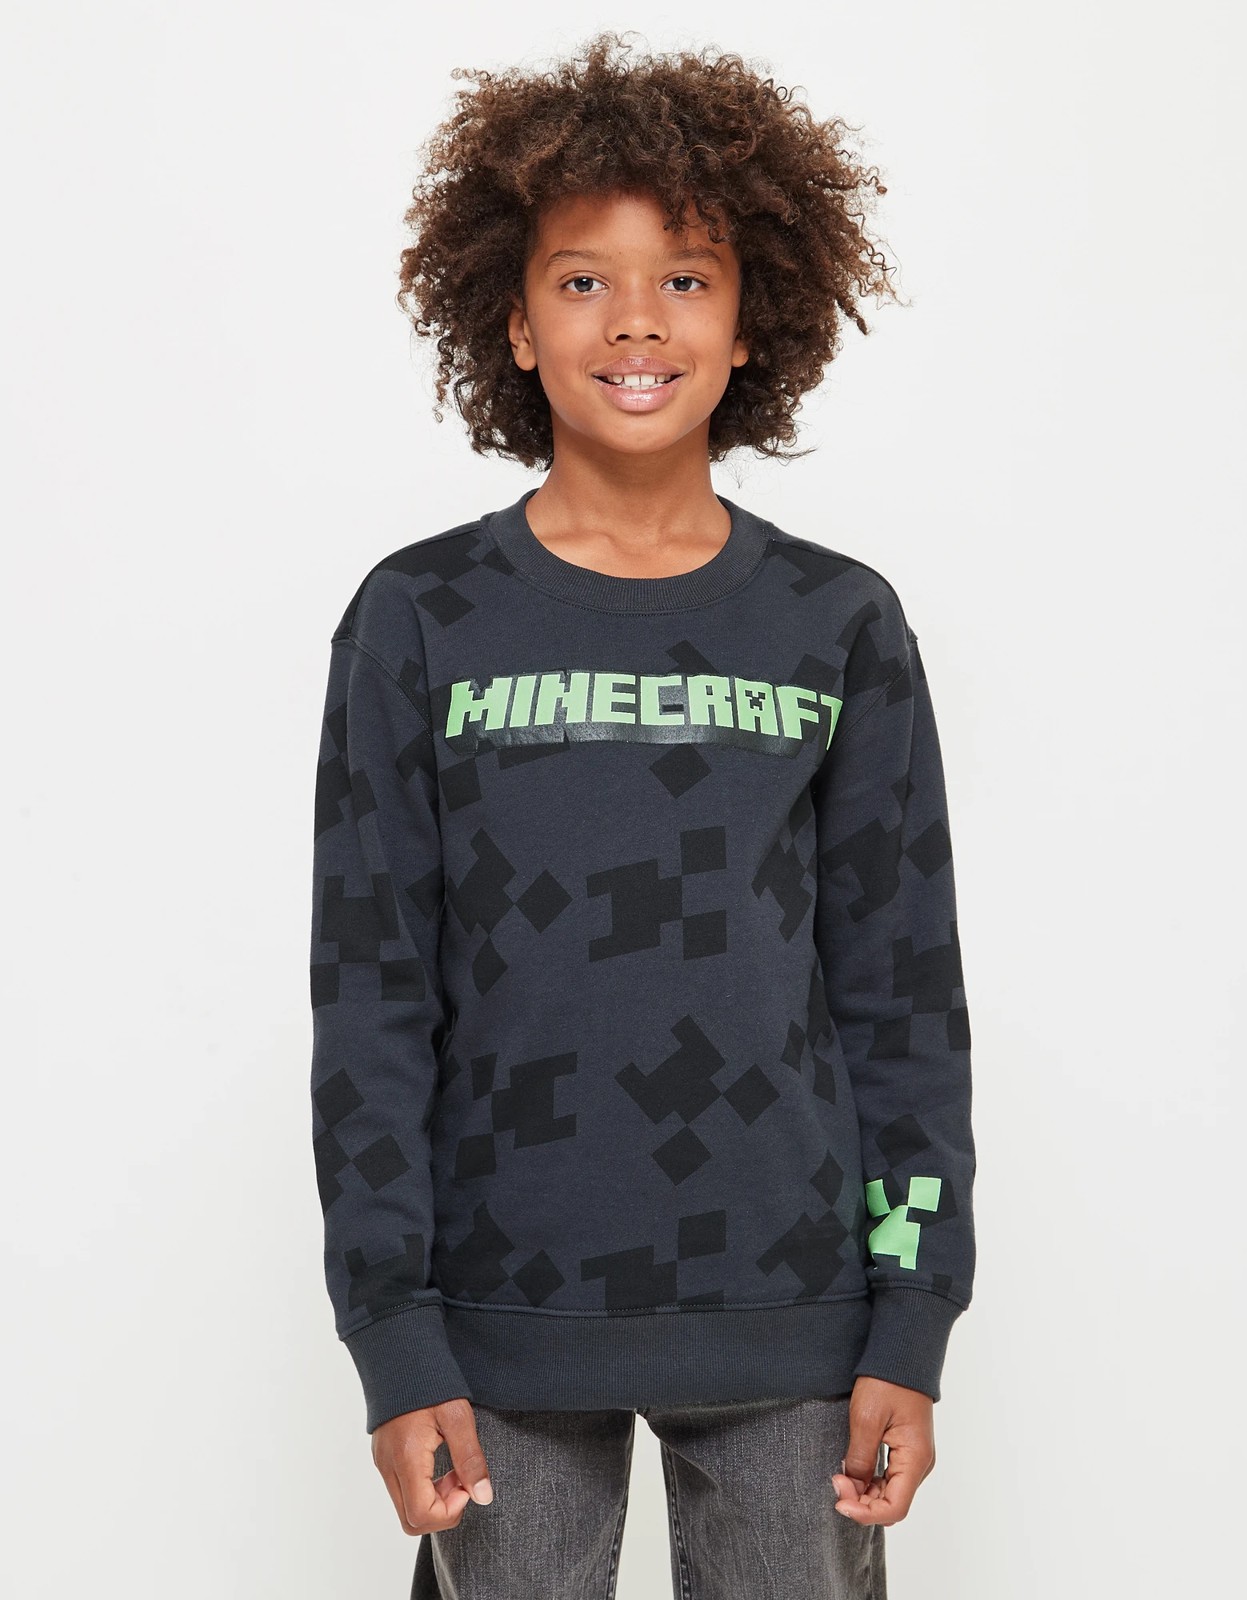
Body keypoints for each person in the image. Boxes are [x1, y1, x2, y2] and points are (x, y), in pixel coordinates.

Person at [309, 30, 978, 1600]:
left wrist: (912, 1313)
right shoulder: (421, 620)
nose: (635, 321)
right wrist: (393, 1334)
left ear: (751, 323)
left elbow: (901, 994)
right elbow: (373, 998)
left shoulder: (835, 624)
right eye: (581, 279)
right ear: (515, 322)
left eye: (685, 277)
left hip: (795, 1316)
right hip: (496, 1324)